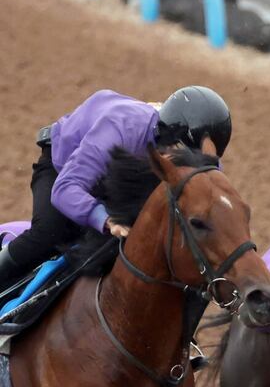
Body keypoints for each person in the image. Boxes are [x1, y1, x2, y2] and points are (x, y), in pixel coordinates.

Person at [0, 85, 232, 292]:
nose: (184, 168)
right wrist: (107, 220)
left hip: (120, 181)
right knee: (49, 232)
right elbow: (65, 189)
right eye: (181, 156)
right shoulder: (121, 126)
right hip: (62, 169)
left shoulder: (198, 157)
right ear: (165, 133)